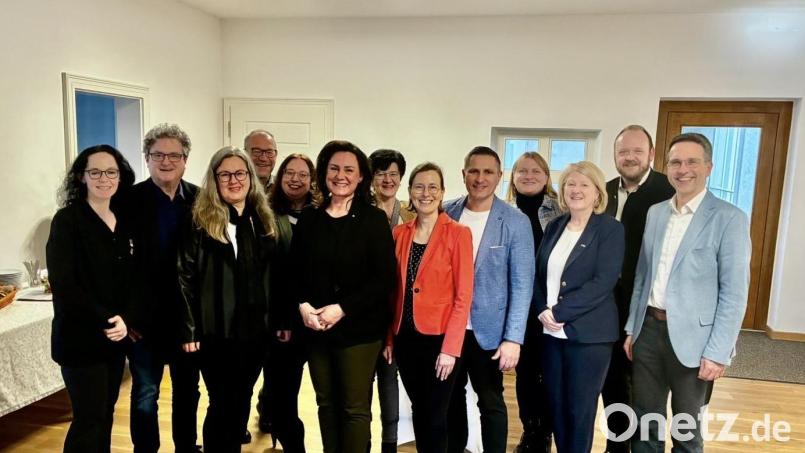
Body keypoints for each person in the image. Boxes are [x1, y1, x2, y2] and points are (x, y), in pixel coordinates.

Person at [625, 133, 751, 453]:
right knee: (644, 424)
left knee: (686, 430)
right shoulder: (656, 213)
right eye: (676, 162)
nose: (683, 169)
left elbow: (734, 293)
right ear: (666, 167)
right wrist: (631, 328)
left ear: (708, 167)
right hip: (648, 332)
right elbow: (643, 275)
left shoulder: (729, 218)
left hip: (696, 342)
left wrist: (718, 351)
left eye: (692, 161)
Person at [290, 140, 396, 453]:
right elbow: (293, 271)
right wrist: (303, 306)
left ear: (361, 176)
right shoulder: (310, 218)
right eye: (334, 168)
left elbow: (384, 279)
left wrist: (342, 308)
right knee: (326, 404)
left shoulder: (373, 220)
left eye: (349, 169)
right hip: (316, 329)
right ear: (324, 173)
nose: (341, 175)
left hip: (359, 331)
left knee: (354, 407)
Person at [177, 147, 279, 452]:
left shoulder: (262, 219)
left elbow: (272, 276)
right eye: (225, 174)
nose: (234, 180)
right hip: (215, 331)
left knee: (241, 398)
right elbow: (183, 277)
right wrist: (189, 329)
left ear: (250, 177)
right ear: (214, 179)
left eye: (240, 173)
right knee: (221, 402)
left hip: (254, 333)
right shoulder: (198, 220)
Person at [443, 146, 535, 453]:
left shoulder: (515, 221)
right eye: (474, 171)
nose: (480, 178)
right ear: (464, 174)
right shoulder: (447, 212)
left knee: (491, 402)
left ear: (499, 177)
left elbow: (522, 285)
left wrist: (513, 339)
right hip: (450, 329)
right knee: (451, 399)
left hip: (490, 332)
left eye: (488, 172)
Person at [47, 144, 136, 453]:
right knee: (89, 418)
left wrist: (126, 318)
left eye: (111, 172)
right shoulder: (67, 221)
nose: (104, 178)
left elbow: (130, 279)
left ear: (120, 176)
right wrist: (109, 319)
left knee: (105, 415)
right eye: (95, 172)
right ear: (81, 177)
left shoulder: (123, 220)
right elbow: (66, 285)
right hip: (80, 338)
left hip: (114, 338)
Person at [534, 161, 624, 453]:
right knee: (556, 406)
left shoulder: (610, 229)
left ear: (597, 193)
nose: (576, 190)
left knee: (580, 410)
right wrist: (541, 310)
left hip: (589, 336)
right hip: (550, 334)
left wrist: (558, 313)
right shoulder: (556, 225)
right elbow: (537, 272)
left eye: (584, 185)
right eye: (570, 184)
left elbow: (603, 282)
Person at [386, 162, 474, 453]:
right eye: (419, 186)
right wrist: (389, 338)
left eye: (432, 186)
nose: (426, 193)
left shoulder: (458, 233)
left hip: (440, 342)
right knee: (420, 412)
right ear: (409, 192)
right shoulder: (400, 233)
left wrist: (451, 348)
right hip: (406, 338)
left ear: (442, 192)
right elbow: (393, 292)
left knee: (436, 416)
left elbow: (463, 296)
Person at [124, 123, 202, 453]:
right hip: (143, 322)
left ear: (185, 159)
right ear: (146, 158)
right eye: (158, 154)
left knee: (188, 391)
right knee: (145, 392)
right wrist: (126, 316)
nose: (166, 161)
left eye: (174, 155)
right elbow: (117, 267)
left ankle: (186, 446)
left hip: (188, 320)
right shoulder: (126, 201)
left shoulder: (200, 200)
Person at [601, 125, 674, 453]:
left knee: (645, 388)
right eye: (622, 152)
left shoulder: (667, 191)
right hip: (606, 308)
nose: (629, 157)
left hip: (647, 307)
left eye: (636, 151)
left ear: (651, 155)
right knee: (611, 381)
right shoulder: (604, 191)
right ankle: (616, 445)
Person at [256, 153, 323, 453]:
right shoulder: (265, 214)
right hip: (282, 323)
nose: (296, 179)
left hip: (319, 320)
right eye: (289, 173)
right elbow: (272, 274)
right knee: (282, 396)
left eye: (303, 174)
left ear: (312, 180)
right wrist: (282, 320)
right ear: (280, 177)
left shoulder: (323, 215)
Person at [505, 152, 562, 453]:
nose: (529, 175)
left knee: (550, 372)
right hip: (518, 307)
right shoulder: (502, 211)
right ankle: (532, 432)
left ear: (546, 175)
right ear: (512, 178)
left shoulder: (562, 210)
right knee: (525, 373)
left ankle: (549, 431)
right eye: (521, 171)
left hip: (552, 307)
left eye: (535, 170)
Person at [368, 148, 415, 453]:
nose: (388, 179)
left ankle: (389, 444)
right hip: (364, 314)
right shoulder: (358, 212)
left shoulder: (412, 215)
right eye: (381, 173)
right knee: (359, 391)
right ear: (371, 178)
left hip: (398, 314)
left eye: (394, 174)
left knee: (390, 383)